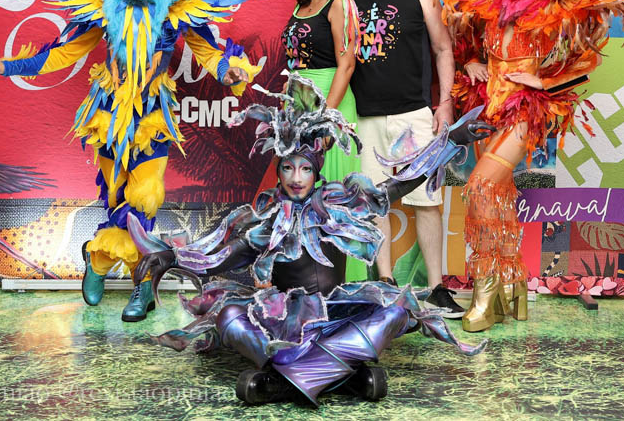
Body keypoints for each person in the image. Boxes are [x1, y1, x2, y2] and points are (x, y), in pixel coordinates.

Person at [0, 0, 266, 322]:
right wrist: (7, 67)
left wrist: (230, 70)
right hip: (108, 117)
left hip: (152, 118)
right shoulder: (102, 2)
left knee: (145, 198)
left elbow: (208, 51)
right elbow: (62, 52)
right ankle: (98, 258)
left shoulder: (178, 3)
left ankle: (142, 287)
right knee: (116, 201)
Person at [131, 73, 493, 406]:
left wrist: (452, 140)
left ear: (316, 171)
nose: (296, 178)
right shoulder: (269, 217)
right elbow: (225, 255)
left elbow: (398, 185)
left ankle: (283, 381)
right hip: (283, 323)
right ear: (278, 171)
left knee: (397, 309)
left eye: (305, 168)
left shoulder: (338, 204)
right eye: (288, 168)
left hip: (335, 316)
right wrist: (173, 258)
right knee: (227, 315)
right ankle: (344, 376)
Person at [434, 0, 624, 332]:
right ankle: (512, 287)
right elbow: (464, 40)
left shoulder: (560, 1)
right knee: (499, 196)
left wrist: (543, 82)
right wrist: (471, 62)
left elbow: (588, 57)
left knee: (480, 187)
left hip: (523, 110)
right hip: (487, 106)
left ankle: (484, 292)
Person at [349, 0, 462, 317]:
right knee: (375, 201)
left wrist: (445, 102)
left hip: (414, 114)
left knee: (426, 201)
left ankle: (436, 287)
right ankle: (385, 282)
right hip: (364, 116)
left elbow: (443, 48)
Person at [281, 0, 364, 280]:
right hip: (299, 108)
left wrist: (326, 119)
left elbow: (347, 65)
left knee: (332, 196)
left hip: (331, 104)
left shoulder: (340, 2)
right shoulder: (300, 8)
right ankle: (308, 280)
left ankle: (343, 282)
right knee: (302, 193)